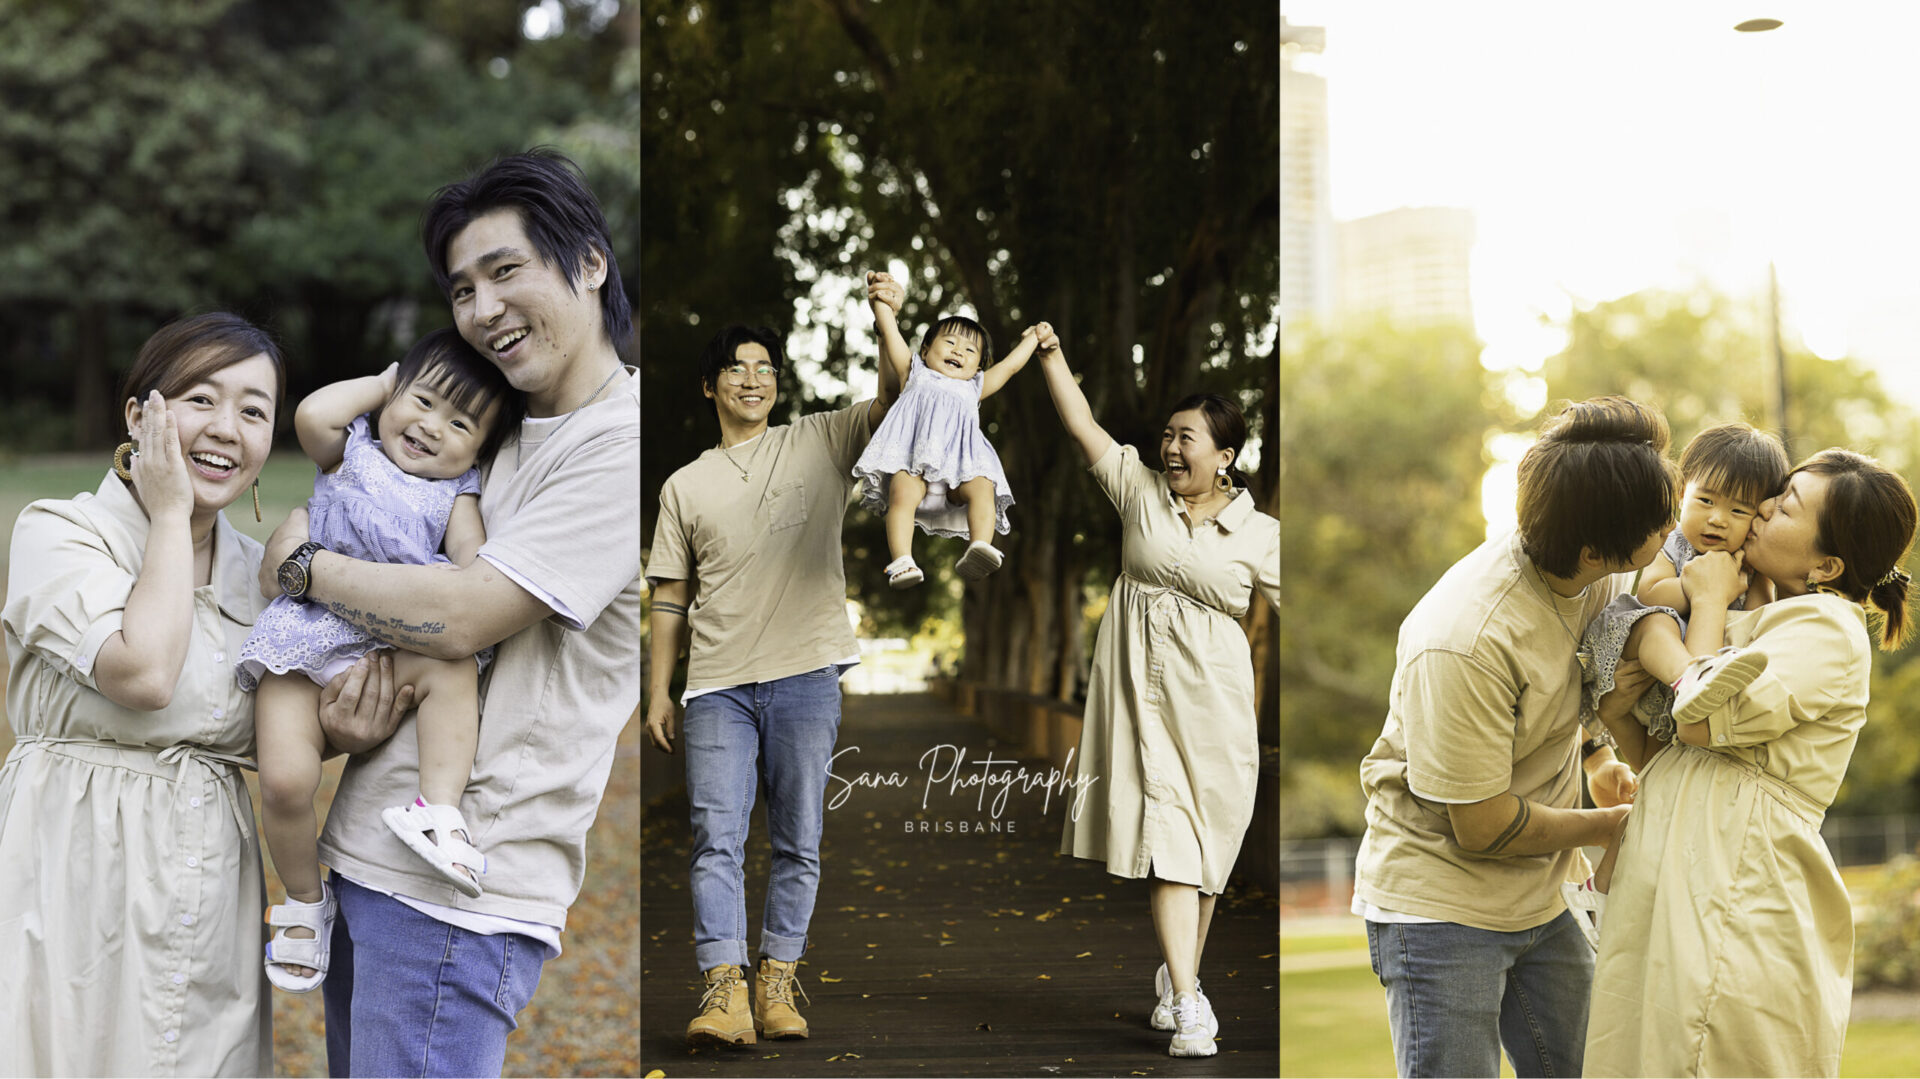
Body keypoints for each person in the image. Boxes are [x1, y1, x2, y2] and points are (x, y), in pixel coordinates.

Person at [259, 149, 639, 1077]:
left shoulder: (623, 443)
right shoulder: (489, 435)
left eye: (506, 271)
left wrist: (305, 566)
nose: (482, 308)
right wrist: (349, 713)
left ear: (588, 263)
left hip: (459, 895)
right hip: (370, 861)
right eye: (462, 288)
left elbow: (464, 616)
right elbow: (410, 605)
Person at [1349, 396, 1671, 1078]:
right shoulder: (1466, 639)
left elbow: (1575, 669)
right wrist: (1607, 826)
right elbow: (1480, 823)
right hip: (1440, 907)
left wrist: (1596, 749)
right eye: (1658, 519)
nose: (1670, 525)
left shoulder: (1597, 571)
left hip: (1543, 895)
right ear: (1591, 548)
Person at [0, 313, 284, 1075]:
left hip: (207, 874)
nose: (228, 428)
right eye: (202, 398)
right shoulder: (60, 533)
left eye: (254, 411)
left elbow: (298, 735)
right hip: (70, 859)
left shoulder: (262, 581)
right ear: (140, 415)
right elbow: (145, 674)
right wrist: (167, 512)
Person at [1585, 449, 1916, 1078]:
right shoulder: (1759, 612)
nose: (1761, 507)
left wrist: (1707, 602)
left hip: (1735, 879)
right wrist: (1619, 711)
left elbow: (1701, 720)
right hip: (1675, 866)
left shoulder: (1827, 630)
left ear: (1827, 563)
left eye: (1786, 506)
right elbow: (1668, 754)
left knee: (1708, 1054)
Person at [644, 271, 903, 1047]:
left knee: (797, 837)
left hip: (807, 674)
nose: (752, 379)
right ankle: (724, 990)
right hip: (717, 684)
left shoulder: (820, 440)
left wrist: (885, 316)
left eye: (764, 368)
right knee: (715, 835)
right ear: (710, 387)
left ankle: (778, 978)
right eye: (736, 368)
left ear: (776, 384)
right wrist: (660, 690)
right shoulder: (684, 485)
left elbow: (898, 400)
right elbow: (667, 598)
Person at [238, 329, 524, 993]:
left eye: (460, 424)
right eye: (421, 401)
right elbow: (310, 414)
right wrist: (384, 384)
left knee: (451, 667)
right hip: (303, 637)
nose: (431, 427)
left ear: (479, 450)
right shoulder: (352, 448)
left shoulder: (457, 494)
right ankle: (305, 899)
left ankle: (439, 807)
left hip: (394, 642)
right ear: (393, 394)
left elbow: (470, 575)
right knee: (283, 781)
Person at [1033, 330, 1279, 1059]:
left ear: (1225, 456)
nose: (1171, 447)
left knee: (1209, 851)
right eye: (1167, 434)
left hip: (1220, 701)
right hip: (1143, 697)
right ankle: (1189, 1000)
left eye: (1188, 438)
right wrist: (1051, 357)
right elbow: (1082, 424)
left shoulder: (1260, 533)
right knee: (1170, 843)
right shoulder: (1139, 491)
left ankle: (1181, 975)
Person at [850, 283, 1037, 587]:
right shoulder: (914, 372)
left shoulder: (975, 387)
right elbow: (892, 334)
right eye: (949, 342)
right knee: (902, 495)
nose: (958, 351)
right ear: (925, 350)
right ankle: (901, 560)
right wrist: (882, 304)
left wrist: (1032, 339)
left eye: (969, 350)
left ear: (978, 366)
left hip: (958, 474)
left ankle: (979, 546)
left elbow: (1011, 368)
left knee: (982, 487)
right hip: (913, 467)